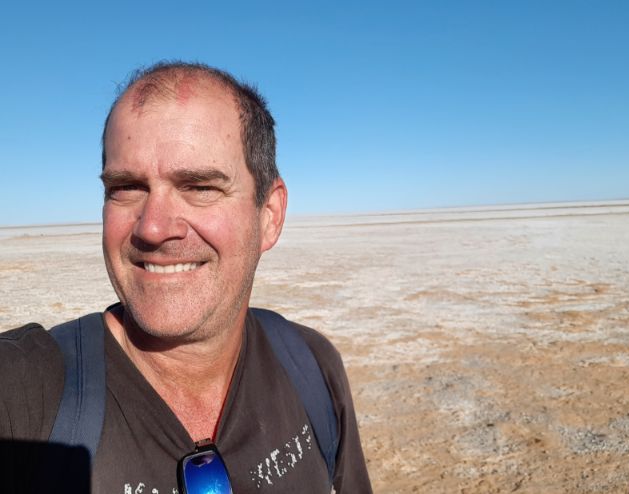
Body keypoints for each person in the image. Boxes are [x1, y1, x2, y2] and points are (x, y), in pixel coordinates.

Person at [0, 61, 372, 493]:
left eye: (199, 187)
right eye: (126, 188)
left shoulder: (311, 367)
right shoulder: (25, 398)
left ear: (269, 216)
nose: (153, 228)